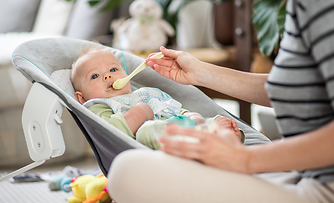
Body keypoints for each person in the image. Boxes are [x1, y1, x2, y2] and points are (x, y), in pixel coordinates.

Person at [106, 0, 334, 203]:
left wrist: (244, 160)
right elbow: (307, 90)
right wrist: (201, 73)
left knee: (125, 172)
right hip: (312, 171)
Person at [70, 46, 244, 149]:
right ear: (82, 98)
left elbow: (173, 110)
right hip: (150, 145)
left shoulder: (145, 94)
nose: (107, 76)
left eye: (113, 70)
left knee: (202, 117)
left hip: (180, 130)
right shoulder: (98, 106)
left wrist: (193, 117)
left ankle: (215, 133)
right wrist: (140, 112)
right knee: (145, 131)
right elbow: (110, 131)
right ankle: (208, 134)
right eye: (94, 76)